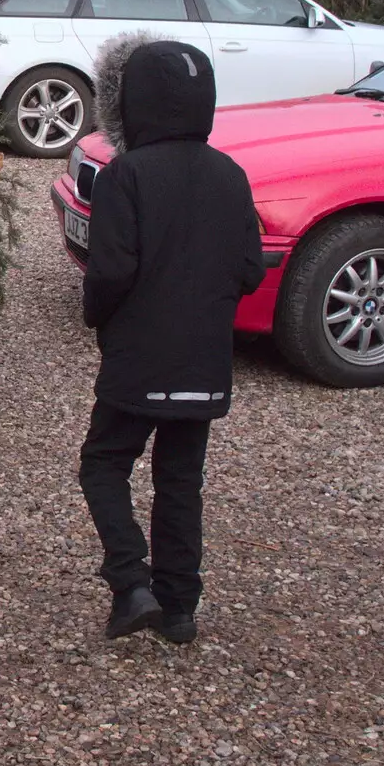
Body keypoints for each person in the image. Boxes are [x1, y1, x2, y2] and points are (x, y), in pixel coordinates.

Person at [77, 35, 264, 643]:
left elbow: (110, 272)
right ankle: (179, 608)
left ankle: (131, 583)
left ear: (130, 104)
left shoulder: (125, 175)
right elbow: (249, 269)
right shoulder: (230, 174)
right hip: (204, 360)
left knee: (104, 463)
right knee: (180, 480)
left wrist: (98, 320)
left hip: (138, 357)